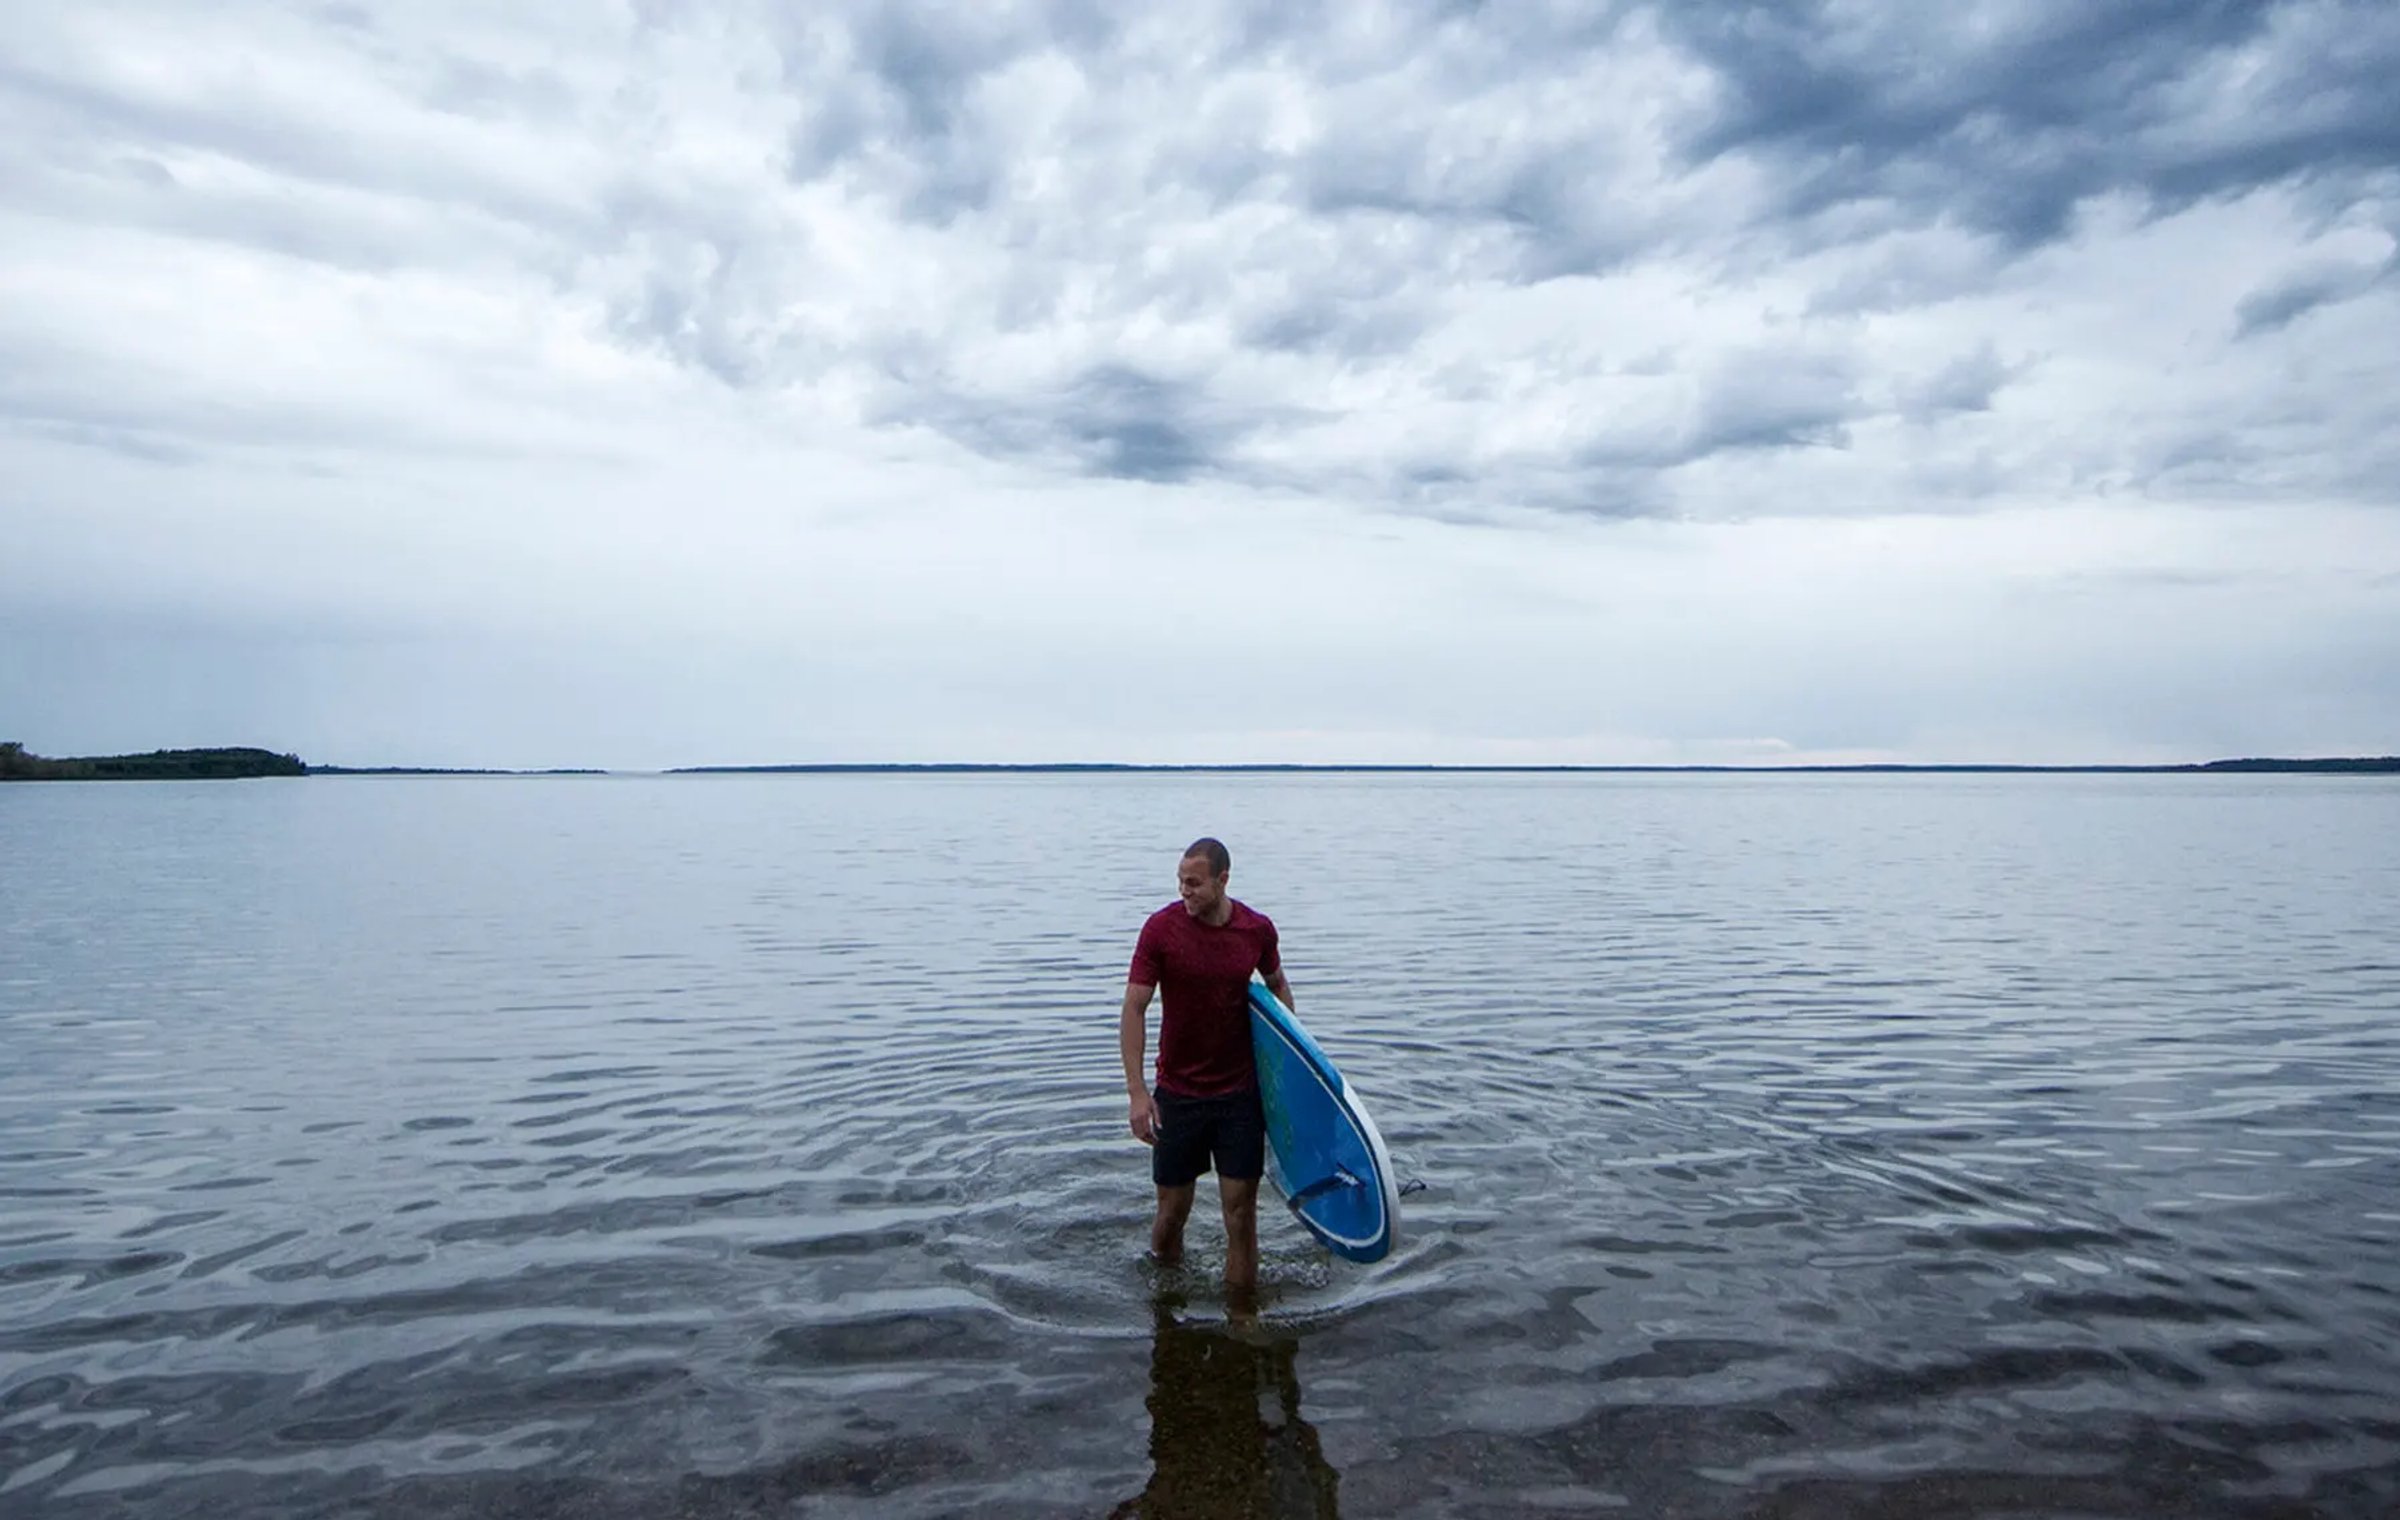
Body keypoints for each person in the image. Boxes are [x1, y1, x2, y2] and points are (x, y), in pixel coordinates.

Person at [1119, 837, 1294, 1295]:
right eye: (1180, 881)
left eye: (1194, 883)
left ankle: (1241, 1317)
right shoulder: (1160, 930)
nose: (1184, 891)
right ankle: (1164, 1297)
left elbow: (1279, 994)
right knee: (1171, 1214)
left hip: (1239, 1096)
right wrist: (1139, 1093)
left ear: (1222, 880)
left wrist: (1290, 1075)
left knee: (1240, 1215)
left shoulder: (1256, 931)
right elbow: (1134, 1008)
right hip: (1177, 1095)